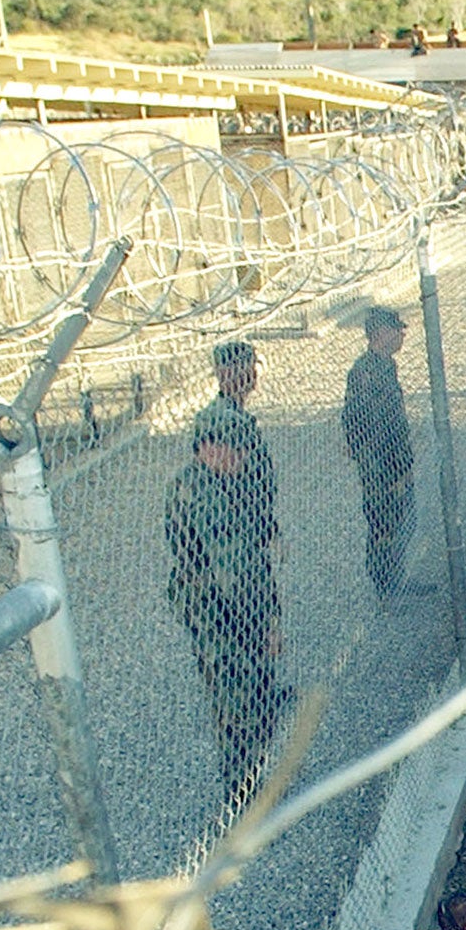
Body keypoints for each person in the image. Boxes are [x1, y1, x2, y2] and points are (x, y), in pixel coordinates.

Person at [167, 340, 288, 799]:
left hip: (226, 601)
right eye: (233, 453)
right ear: (210, 447)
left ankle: (251, 769)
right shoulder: (207, 496)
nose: (241, 463)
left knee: (247, 686)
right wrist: (265, 624)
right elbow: (235, 572)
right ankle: (243, 788)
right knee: (236, 696)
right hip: (219, 607)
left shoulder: (213, 481)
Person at [341, 307, 415, 597]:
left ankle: (396, 577)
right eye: (396, 330)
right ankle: (385, 584)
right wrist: (393, 468)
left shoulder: (384, 365)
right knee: (384, 522)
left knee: (400, 520)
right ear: (381, 333)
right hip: (380, 465)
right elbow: (370, 426)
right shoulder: (365, 372)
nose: (401, 336)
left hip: (390, 461)